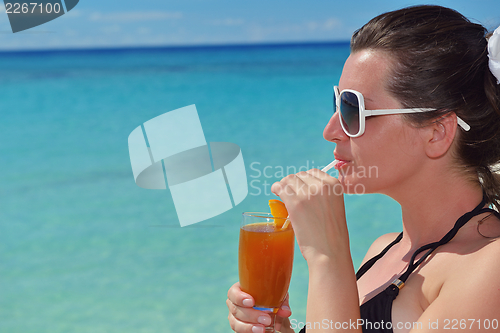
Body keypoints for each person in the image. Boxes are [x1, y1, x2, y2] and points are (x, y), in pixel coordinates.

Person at [227, 5, 500, 333]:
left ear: (436, 132)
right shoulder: (385, 250)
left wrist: (328, 257)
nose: (330, 130)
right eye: (337, 103)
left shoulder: (490, 266)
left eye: (352, 109)